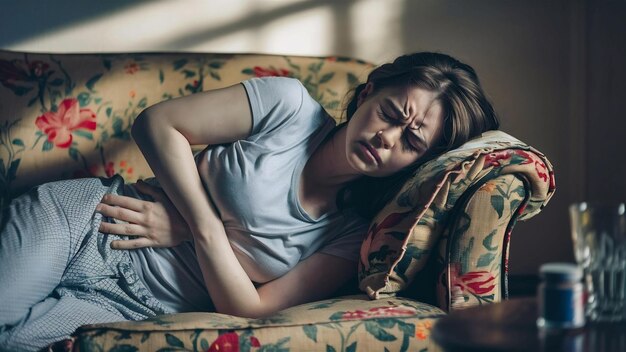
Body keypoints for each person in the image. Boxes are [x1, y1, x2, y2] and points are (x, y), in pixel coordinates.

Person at [0, 52, 499, 351]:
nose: (388, 137)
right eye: (391, 113)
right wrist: (202, 219)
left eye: (412, 142)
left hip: (132, 306)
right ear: (368, 92)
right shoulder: (288, 107)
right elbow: (157, 124)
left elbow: (250, 310)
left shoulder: (352, 235)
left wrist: (199, 230)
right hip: (86, 223)